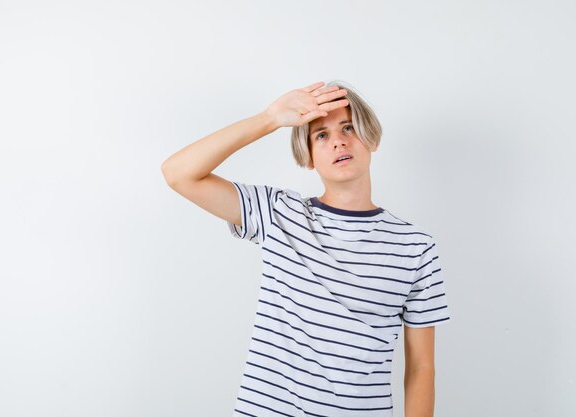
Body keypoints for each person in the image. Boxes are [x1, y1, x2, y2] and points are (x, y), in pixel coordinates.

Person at [161, 80, 452, 417]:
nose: (339, 141)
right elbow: (178, 173)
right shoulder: (279, 214)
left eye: (348, 127)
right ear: (309, 156)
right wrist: (270, 118)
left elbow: (421, 369)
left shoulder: (415, 247)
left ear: (370, 138)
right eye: (321, 135)